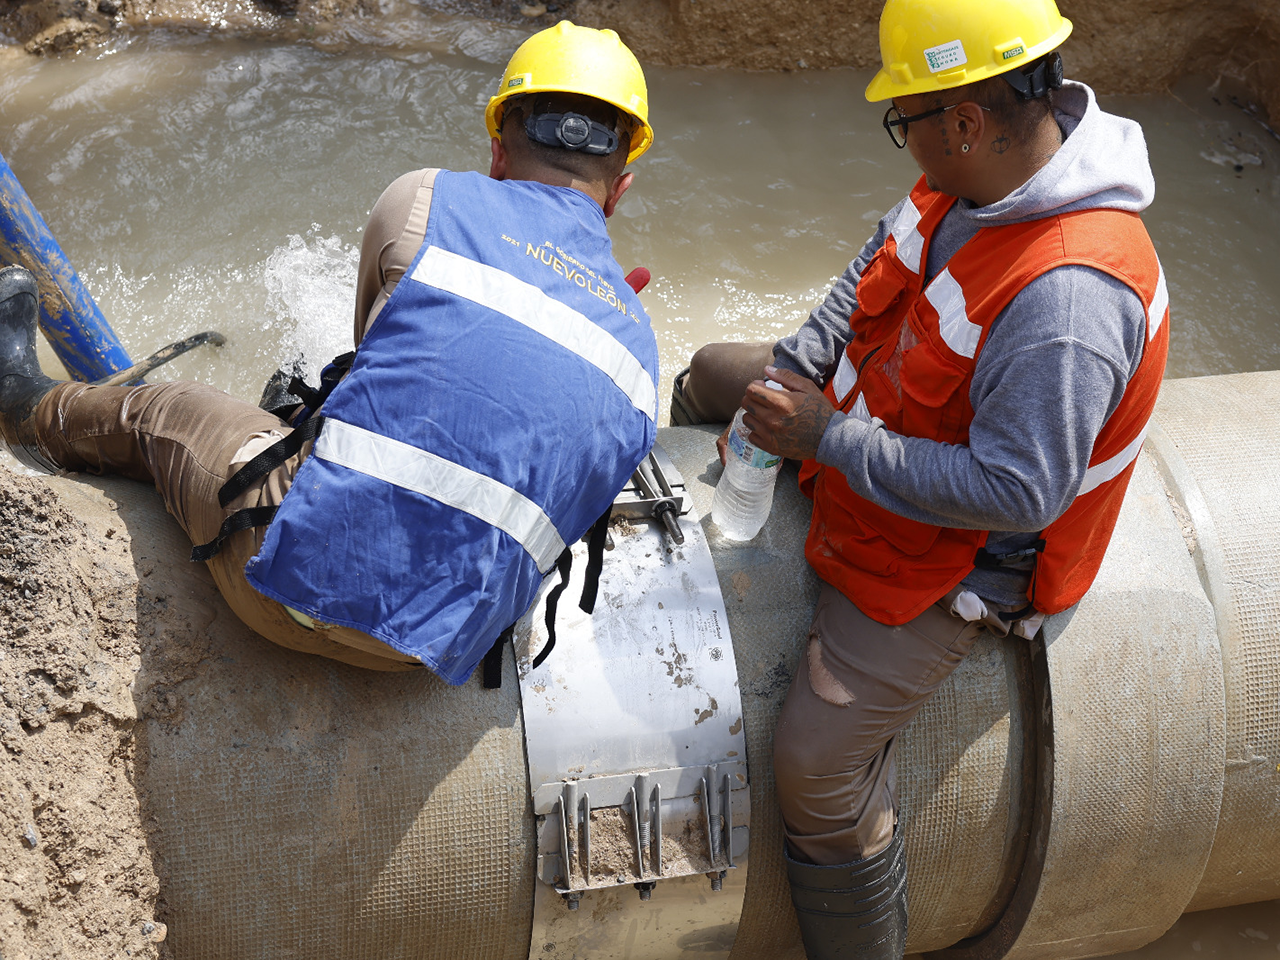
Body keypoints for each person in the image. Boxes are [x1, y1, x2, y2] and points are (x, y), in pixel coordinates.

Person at [673, 0, 1169, 955]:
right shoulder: (979, 177)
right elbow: (875, 262)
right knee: (711, 372)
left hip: (966, 551)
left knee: (814, 764)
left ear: (967, 120)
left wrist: (827, 440)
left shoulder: (1069, 298)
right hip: (875, 419)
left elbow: (1018, 491)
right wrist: (795, 374)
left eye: (907, 121)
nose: (907, 144)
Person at [0, 21, 660, 685]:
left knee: (166, 410)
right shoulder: (640, 354)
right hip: (441, 650)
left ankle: (24, 404)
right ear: (621, 189)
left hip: (292, 594)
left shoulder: (426, 200)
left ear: (496, 151)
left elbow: (376, 362)